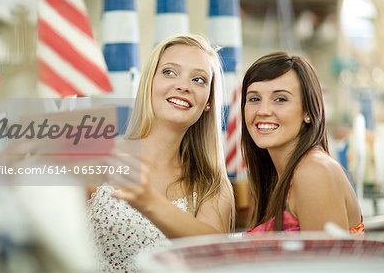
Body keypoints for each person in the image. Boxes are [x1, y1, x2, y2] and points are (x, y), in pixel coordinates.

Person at [88, 34, 235, 272]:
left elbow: (213, 253)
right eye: (169, 72)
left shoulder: (212, 185)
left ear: (208, 101)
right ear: (150, 83)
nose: (183, 86)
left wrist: (149, 202)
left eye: (198, 79)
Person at [240, 52, 364, 234]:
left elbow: (327, 262)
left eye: (280, 99)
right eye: (254, 99)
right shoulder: (278, 175)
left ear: (308, 111)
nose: (263, 110)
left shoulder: (314, 172)